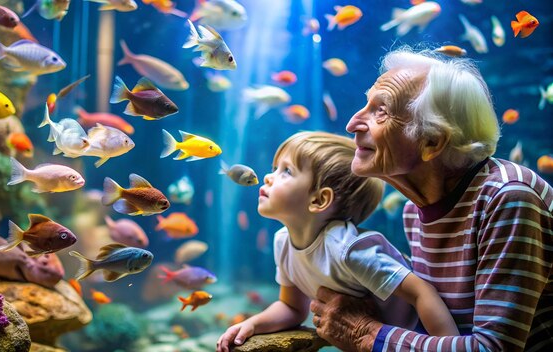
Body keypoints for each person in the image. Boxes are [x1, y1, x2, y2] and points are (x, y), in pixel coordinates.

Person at [309, 47, 553, 351]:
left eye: (380, 110)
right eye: (366, 104)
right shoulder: (414, 211)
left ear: (432, 142)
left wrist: (368, 335)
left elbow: (492, 349)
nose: (352, 123)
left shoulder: (507, 198)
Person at [216, 131, 460, 352]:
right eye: (275, 168)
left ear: (319, 200)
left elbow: (421, 292)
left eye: (286, 171)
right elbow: (292, 309)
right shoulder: (283, 242)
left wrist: (444, 346)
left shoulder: (348, 250)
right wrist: (252, 324)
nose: (268, 177)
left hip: (414, 337)